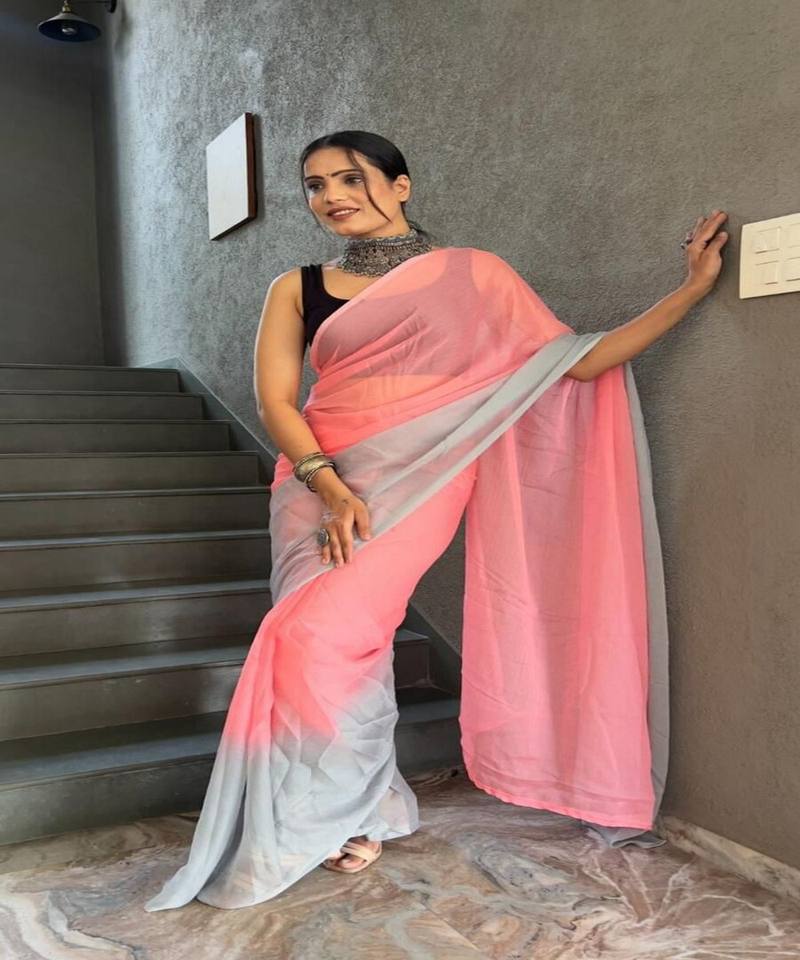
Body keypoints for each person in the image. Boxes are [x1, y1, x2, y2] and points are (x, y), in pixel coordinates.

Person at [144, 130, 728, 911]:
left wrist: (690, 289)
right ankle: (354, 805)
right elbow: (276, 401)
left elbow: (576, 363)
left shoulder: (474, 276)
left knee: (331, 637)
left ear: (402, 185)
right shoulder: (297, 287)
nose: (331, 196)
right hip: (315, 481)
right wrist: (329, 486)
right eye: (315, 185)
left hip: (421, 483)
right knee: (317, 643)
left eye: (350, 178)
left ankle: (338, 806)